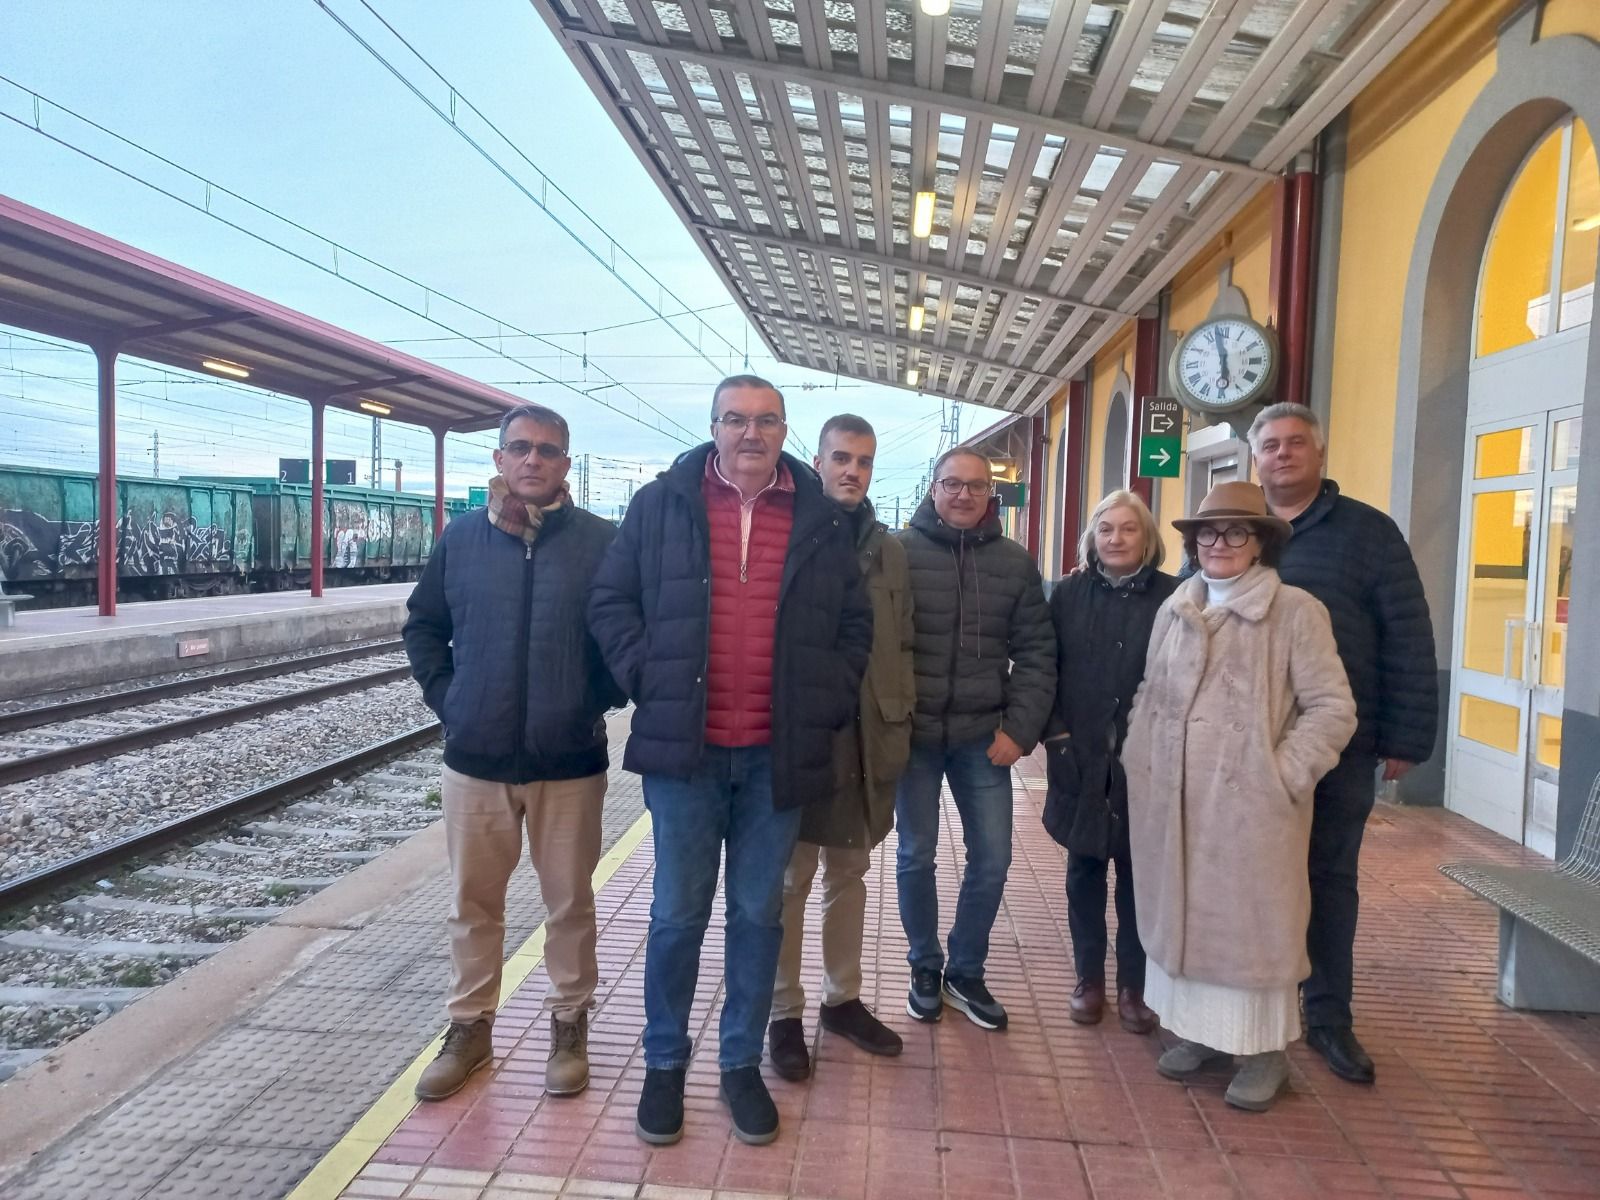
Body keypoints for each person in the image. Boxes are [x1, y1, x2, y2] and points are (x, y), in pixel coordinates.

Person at [588, 375, 871, 1148]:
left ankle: (740, 1064)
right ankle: (664, 1065)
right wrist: (649, 673)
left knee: (757, 916)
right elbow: (610, 602)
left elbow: (855, 627)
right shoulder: (661, 505)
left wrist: (824, 700)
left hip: (775, 761)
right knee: (677, 916)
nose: (751, 433)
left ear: (785, 431)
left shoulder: (819, 520)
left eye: (766, 421)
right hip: (686, 756)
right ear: (712, 426)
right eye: (736, 420)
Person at [402, 403, 623, 1102]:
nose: (533, 459)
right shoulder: (461, 540)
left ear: (566, 463)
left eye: (548, 450)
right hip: (477, 761)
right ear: (499, 459)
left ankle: (568, 1023)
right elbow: (424, 626)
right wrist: (453, 701)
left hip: (569, 762)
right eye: (520, 448)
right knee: (473, 903)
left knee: (570, 904)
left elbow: (623, 636)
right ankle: (470, 1029)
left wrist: (595, 699)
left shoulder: (600, 543)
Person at [1123, 481, 1356, 1113]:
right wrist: (1138, 756)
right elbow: (1150, 688)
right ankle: (1202, 1036)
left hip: (1249, 813)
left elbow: (1333, 709)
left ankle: (1264, 1054)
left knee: (1248, 932)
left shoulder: (1295, 611)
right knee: (1185, 920)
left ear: (1259, 543)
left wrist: (1278, 774)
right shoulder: (1176, 605)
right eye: (1207, 533)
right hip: (1169, 803)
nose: (1218, 544)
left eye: (1234, 533)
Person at [1249, 402, 1438, 1085]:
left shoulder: (1369, 534)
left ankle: (1328, 1014)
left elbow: (1408, 634)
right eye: (1270, 445)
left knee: (1329, 876)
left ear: (1320, 455)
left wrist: (1407, 737)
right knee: (1255, 876)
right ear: (1255, 458)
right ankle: (1255, 1006)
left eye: (1296, 443)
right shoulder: (1239, 530)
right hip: (1249, 748)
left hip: (1340, 744)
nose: (1283, 454)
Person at [768, 414, 915, 1081]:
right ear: (817, 461)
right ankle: (783, 1012)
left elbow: (902, 640)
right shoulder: (789, 534)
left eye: (863, 461)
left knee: (850, 874)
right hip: (804, 735)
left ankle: (842, 998)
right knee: (790, 880)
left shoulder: (888, 549)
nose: (851, 471)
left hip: (867, 735)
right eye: (840, 459)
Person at [895, 448, 1056, 1031]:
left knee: (992, 858)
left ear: (993, 495)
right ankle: (923, 964)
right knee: (915, 855)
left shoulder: (1014, 563)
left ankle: (965, 969)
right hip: (912, 737)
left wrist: (1020, 729)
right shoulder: (898, 554)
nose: (964, 495)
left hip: (984, 738)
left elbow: (1038, 653)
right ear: (932, 488)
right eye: (952, 484)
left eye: (976, 486)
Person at [1042, 490, 1175, 1034]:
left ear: (1147, 538)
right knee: (1085, 869)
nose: (1116, 539)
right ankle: (1088, 978)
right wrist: (1057, 736)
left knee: (1139, 877)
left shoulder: (1176, 597)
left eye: (1128, 529)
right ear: (1091, 538)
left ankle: (1133, 985)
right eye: (1106, 529)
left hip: (1148, 761)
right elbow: (1042, 666)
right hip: (1080, 754)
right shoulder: (1068, 595)